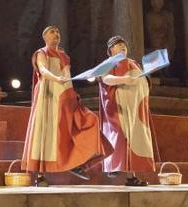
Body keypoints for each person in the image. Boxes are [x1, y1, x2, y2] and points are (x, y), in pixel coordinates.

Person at [21, 26, 109, 187]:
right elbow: (43, 70)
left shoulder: (64, 56)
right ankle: (40, 174)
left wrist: (71, 92)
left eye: (58, 33)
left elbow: (67, 76)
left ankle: (77, 163)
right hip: (48, 93)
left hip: (63, 93)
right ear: (44, 37)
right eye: (52, 33)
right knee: (45, 130)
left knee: (88, 120)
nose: (56, 35)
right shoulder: (42, 52)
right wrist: (56, 78)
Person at [98, 35, 154, 186]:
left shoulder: (133, 62)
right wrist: (123, 80)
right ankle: (114, 165)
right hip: (119, 106)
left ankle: (131, 177)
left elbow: (142, 80)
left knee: (133, 140)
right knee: (121, 135)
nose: (123, 46)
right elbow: (105, 78)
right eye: (118, 44)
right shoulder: (110, 62)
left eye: (124, 45)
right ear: (111, 50)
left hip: (135, 107)